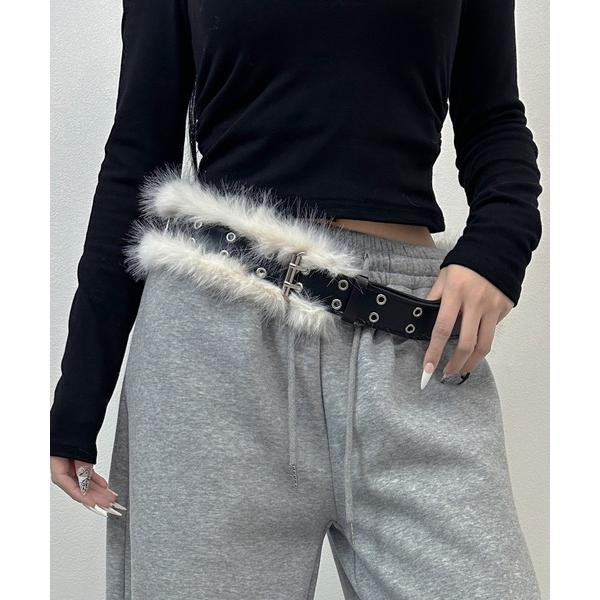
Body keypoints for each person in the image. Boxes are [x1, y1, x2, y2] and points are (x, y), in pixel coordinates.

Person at [50, 1, 543, 598]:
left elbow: (493, 116)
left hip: (408, 340)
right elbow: (137, 152)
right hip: (213, 350)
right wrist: (78, 403)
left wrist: (498, 246)